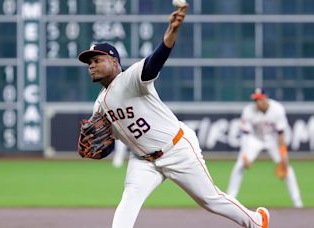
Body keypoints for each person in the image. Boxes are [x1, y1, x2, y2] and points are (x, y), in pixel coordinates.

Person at [78, 5, 269, 228]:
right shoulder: (99, 104)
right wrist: (100, 148)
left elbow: (156, 60)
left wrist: (172, 31)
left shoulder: (130, 79)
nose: (91, 65)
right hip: (143, 161)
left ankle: (256, 221)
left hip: (176, 148)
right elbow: (106, 143)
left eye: (97, 60)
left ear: (114, 61)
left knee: (210, 200)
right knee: (129, 200)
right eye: (89, 63)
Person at [227, 88, 303, 208]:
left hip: (273, 139)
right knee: (240, 165)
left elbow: (281, 135)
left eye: (260, 99)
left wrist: (283, 156)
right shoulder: (248, 110)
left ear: (266, 98)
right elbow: (245, 136)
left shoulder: (277, 109)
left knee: (287, 167)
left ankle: (297, 202)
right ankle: (230, 198)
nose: (258, 102)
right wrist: (245, 156)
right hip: (254, 139)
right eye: (256, 99)